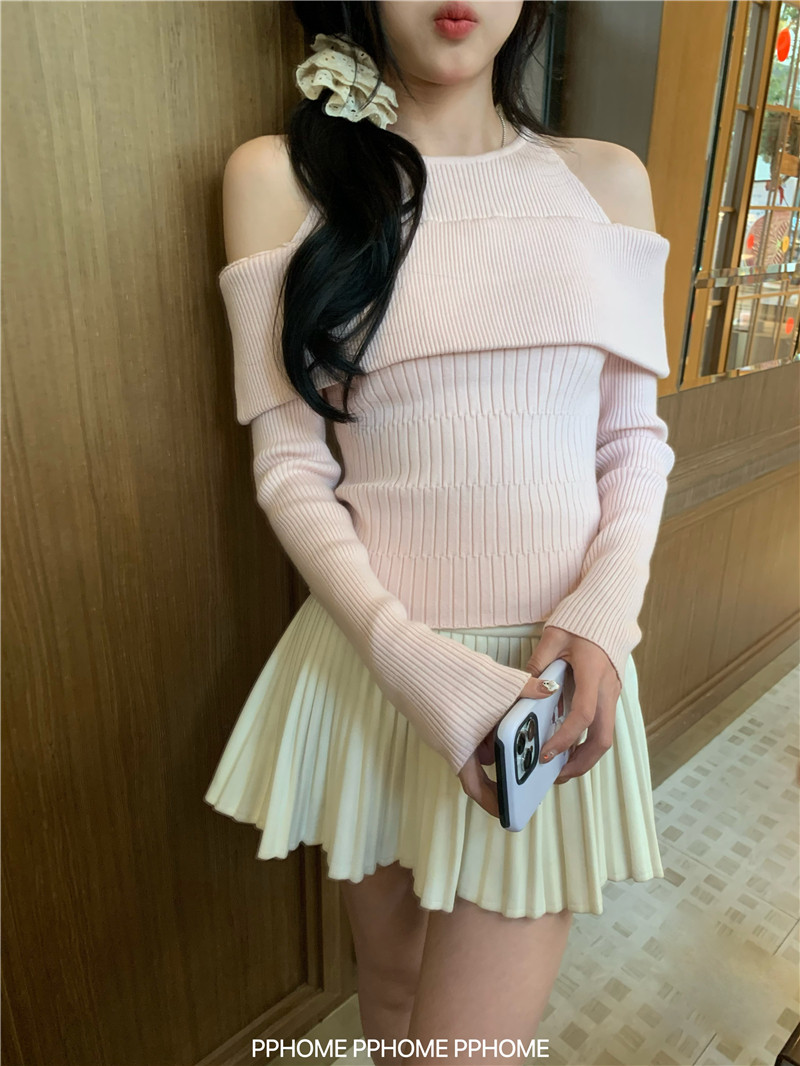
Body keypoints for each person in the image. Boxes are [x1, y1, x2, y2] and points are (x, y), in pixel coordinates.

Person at [205, 2, 675, 1061]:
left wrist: (605, 612)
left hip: (541, 690)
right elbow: (290, 468)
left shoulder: (604, 181)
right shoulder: (278, 179)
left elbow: (631, 443)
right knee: (390, 991)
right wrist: (409, 662)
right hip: (377, 668)